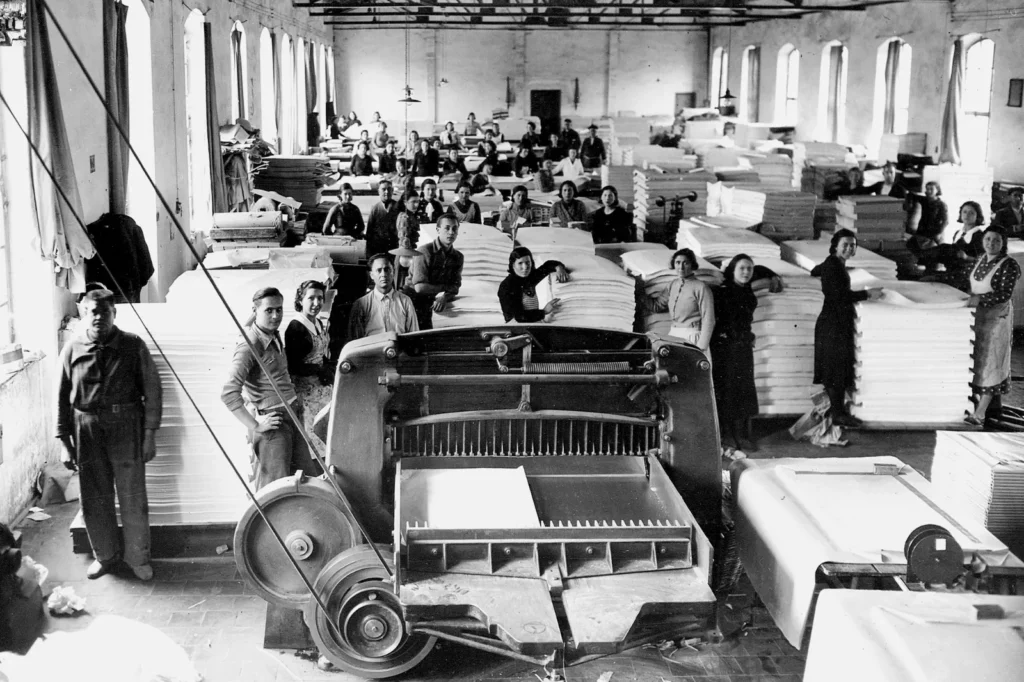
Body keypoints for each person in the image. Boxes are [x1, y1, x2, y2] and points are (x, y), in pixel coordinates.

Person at [56, 288, 162, 581]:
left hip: (126, 426)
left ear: (114, 314)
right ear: (84, 313)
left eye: (105, 312)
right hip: (86, 428)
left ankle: (138, 558)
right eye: (93, 311)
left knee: (132, 496)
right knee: (94, 497)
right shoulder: (73, 348)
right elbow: (61, 397)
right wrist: (64, 442)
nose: (98, 317)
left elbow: (153, 391)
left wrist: (149, 434)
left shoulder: (133, 345)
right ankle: (104, 556)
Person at [222, 287, 320, 491]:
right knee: (276, 489)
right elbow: (229, 393)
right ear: (255, 310)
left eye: (279, 309)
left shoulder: (272, 334)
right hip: (274, 424)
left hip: (292, 416)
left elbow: (252, 323)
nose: (276, 316)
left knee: (307, 481)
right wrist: (255, 425)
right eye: (269, 310)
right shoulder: (249, 345)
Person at [811, 229, 884, 427]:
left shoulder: (833, 263)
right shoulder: (832, 265)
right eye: (845, 244)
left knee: (837, 369)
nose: (849, 248)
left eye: (853, 245)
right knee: (835, 370)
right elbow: (838, 296)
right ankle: (838, 414)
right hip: (832, 324)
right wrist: (867, 294)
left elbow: (815, 270)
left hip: (835, 322)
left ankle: (838, 411)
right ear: (835, 246)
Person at [963, 227, 1021, 425]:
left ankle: (980, 414)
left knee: (992, 363)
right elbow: (968, 283)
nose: (991, 243)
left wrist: (979, 299)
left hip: (997, 318)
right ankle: (979, 406)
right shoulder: (980, 259)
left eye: (996, 240)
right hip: (977, 317)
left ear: (1003, 243)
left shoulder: (1009, 264)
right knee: (977, 360)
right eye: (988, 239)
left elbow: (1004, 294)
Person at [711, 254, 760, 451]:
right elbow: (723, 323)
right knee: (728, 388)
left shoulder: (747, 291)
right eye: (742, 268)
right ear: (732, 270)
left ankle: (741, 434)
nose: (746, 272)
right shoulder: (723, 292)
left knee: (744, 388)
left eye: (750, 268)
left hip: (743, 347)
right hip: (726, 348)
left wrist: (773, 276)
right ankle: (728, 435)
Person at [284, 281, 333, 441]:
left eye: (320, 298)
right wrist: (320, 370)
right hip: (307, 394)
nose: (316, 303)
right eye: (311, 298)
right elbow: (293, 366)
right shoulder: (296, 328)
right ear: (300, 300)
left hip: (322, 388)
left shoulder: (317, 322)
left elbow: (320, 352)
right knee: (314, 437)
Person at [405, 214, 464, 329]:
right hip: (411, 298)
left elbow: (455, 286)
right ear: (438, 230)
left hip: (430, 298)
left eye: (454, 229)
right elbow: (419, 288)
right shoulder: (424, 251)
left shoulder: (458, 257)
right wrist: (446, 288)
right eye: (447, 228)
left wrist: (444, 297)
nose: (451, 232)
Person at [650, 249, 715, 352]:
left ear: (692, 265)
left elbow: (709, 319)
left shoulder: (701, 287)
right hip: (673, 336)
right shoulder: (672, 285)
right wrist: (638, 290)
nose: (681, 267)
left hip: (692, 337)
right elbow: (657, 306)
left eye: (686, 263)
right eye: (678, 262)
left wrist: (701, 347)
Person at [348, 254, 420, 338]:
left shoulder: (405, 301)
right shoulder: (361, 304)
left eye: (387, 269)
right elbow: (355, 340)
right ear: (371, 275)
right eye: (379, 270)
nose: (383, 274)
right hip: (372, 346)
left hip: (399, 346)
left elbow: (414, 335)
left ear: (393, 272)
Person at [498, 246, 570, 323]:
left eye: (527, 262)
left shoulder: (529, 277)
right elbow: (519, 316)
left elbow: (547, 266)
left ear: (531, 262)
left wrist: (559, 268)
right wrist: (544, 311)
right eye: (520, 263)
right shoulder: (507, 285)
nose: (525, 267)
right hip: (516, 327)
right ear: (513, 265)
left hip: (532, 324)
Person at [907, 181, 948, 253]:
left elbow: (945, 221)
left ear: (937, 190)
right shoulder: (924, 200)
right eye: (927, 189)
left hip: (935, 233)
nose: (928, 191)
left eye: (931, 189)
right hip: (922, 231)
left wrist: (938, 233)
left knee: (936, 252)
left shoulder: (941, 204)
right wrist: (909, 203)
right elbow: (910, 194)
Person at [366, 179, 401, 258]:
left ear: (392, 190)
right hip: (379, 248)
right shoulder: (375, 209)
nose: (387, 192)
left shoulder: (399, 207)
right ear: (378, 191)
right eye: (383, 189)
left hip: (395, 247)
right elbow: (369, 232)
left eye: (389, 189)